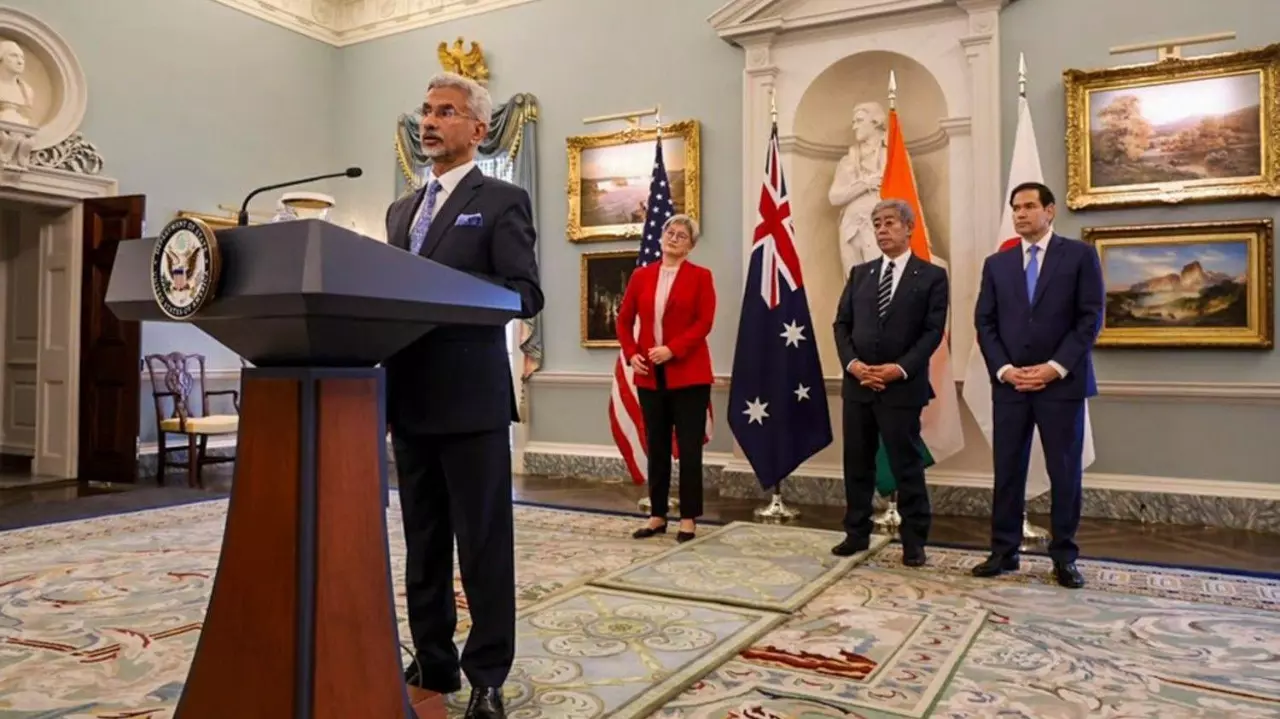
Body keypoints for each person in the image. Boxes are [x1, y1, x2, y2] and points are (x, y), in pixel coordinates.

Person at [383, 71, 543, 719]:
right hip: (408, 396)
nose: (429, 121)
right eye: (424, 110)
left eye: (445, 111)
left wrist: (441, 287)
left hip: (471, 399)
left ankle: (487, 674)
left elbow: (524, 293)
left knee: (482, 543)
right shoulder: (400, 211)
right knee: (424, 540)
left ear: (478, 129)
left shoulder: (501, 199)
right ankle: (433, 657)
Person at [972, 181, 1102, 589]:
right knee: (1007, 470)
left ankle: (1064, 556)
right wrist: (1005, 370)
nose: (1020, 214)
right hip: (1010, 385)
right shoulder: (997, 264)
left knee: (1065, 472)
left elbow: (1090, 319)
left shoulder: (1079, 256)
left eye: (1029, 206)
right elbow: (985, 323)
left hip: (1060, 385)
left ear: (1050, 211)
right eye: (1015, 208)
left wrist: (1054, 367)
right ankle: (1003, 552)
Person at [830, 198, 948, 566]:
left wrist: (899, 369)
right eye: (877, 224)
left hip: (902, 387)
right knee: (857, 463)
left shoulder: (930, 276)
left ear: (909, 227)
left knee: (905, 464)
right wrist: (853, 365)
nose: (882, 230)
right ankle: (856, 533)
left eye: (890, 223)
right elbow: (841, 325)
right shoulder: (860, 274)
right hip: (858, 386)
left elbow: (932, 332)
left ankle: (914, 541)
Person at [616, 214, 715, 543]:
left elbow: (703, 323)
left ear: (690, 246)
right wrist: (632, 354)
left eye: (682, 236)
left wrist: (671, 350)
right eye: (670, 233)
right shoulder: (641, 276)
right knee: (655, 447)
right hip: (649, 376)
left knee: (688, 450)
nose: (674, 238)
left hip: (689, 375)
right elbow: (624, 320)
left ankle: (688, 519)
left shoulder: (701, 277)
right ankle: (657, 514)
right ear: (661, 239)